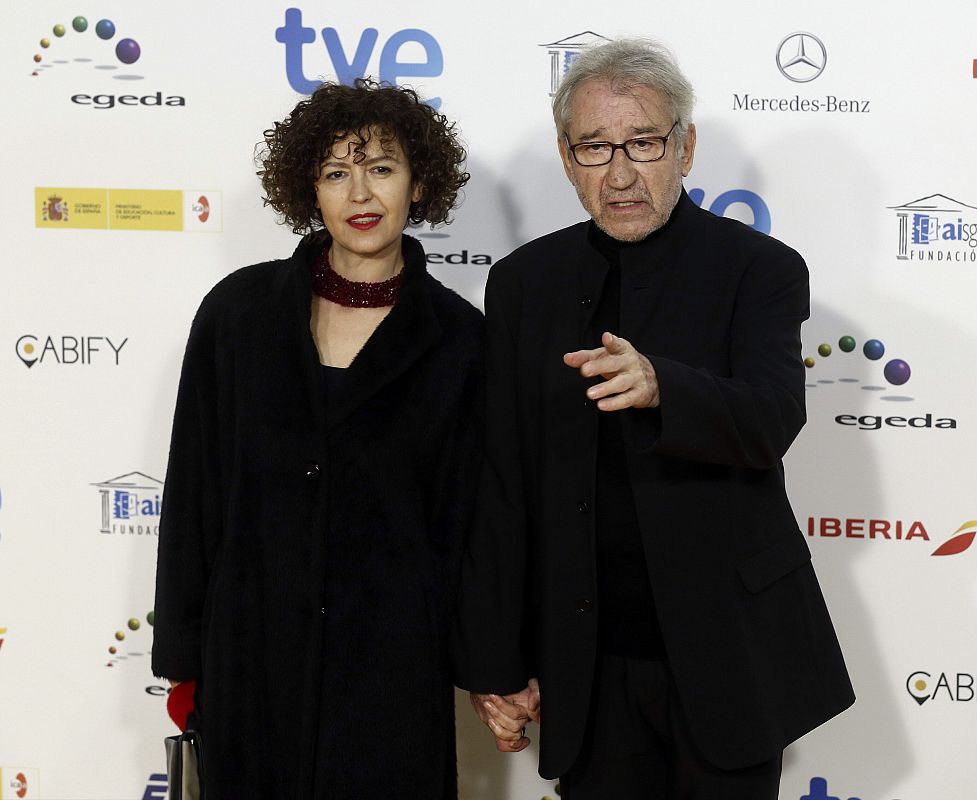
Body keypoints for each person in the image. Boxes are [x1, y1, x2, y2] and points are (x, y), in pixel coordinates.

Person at [454, 39, 854, 799]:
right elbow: (503, 484)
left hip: (728, 655)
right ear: (567, 159)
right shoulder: (523, 284)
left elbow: (772, 417)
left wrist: (664, 386)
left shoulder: (759, 269)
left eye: (643, 143)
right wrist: (495, 662)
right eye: (594, 147)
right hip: (585, 665)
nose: (620, 173)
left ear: (685, 147)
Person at [152, 78, 482, 799]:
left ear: (420, 182)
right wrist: (182, 661)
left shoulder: (462, 340)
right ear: (311, 189)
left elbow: (470, 525)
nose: (360, 193)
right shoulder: (237, 314)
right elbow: (194, 494)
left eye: (381, 168)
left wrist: (488, 667)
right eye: (336, 172)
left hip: (393, 676)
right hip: (250, 668)